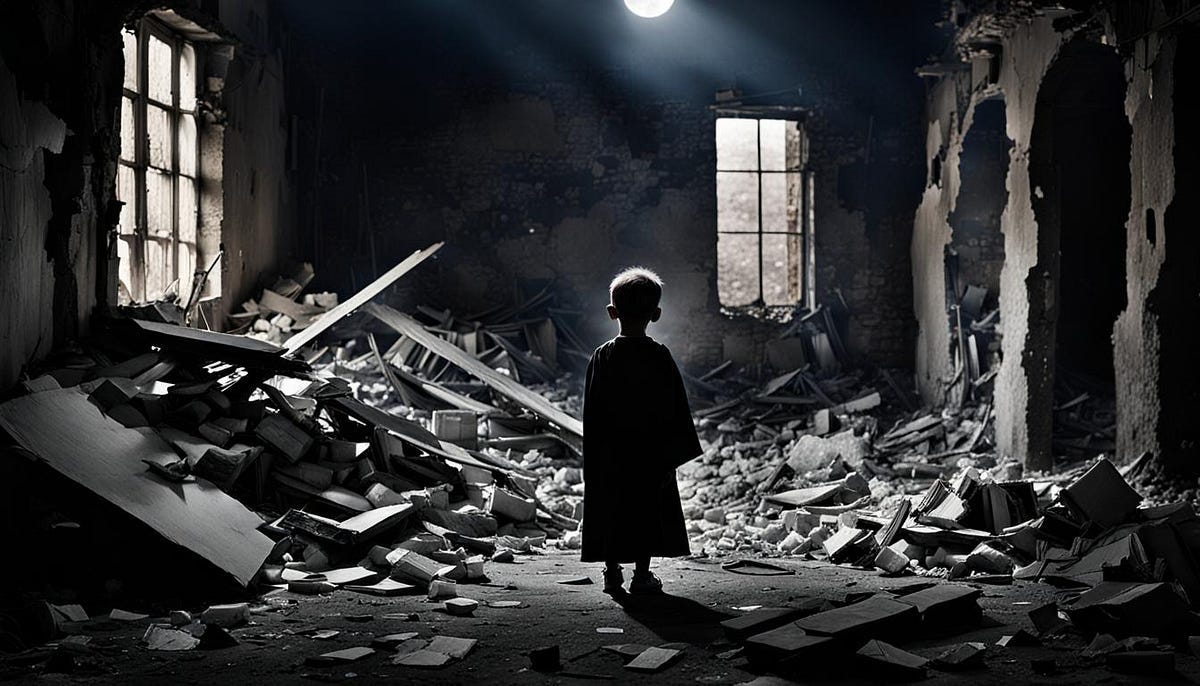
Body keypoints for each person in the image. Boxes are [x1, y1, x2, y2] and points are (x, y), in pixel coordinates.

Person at [580, 267, 703, 595]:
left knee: (611, 508)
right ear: (657, 314)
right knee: (647, 511)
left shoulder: (602, 357)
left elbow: (592, 411)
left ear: (612, 312)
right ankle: (642, 575)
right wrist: (672, 453)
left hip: (611, 453)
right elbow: (675, 408)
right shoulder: (660, 356)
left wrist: (593, 455)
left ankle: (611, 572)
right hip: (650, 454)